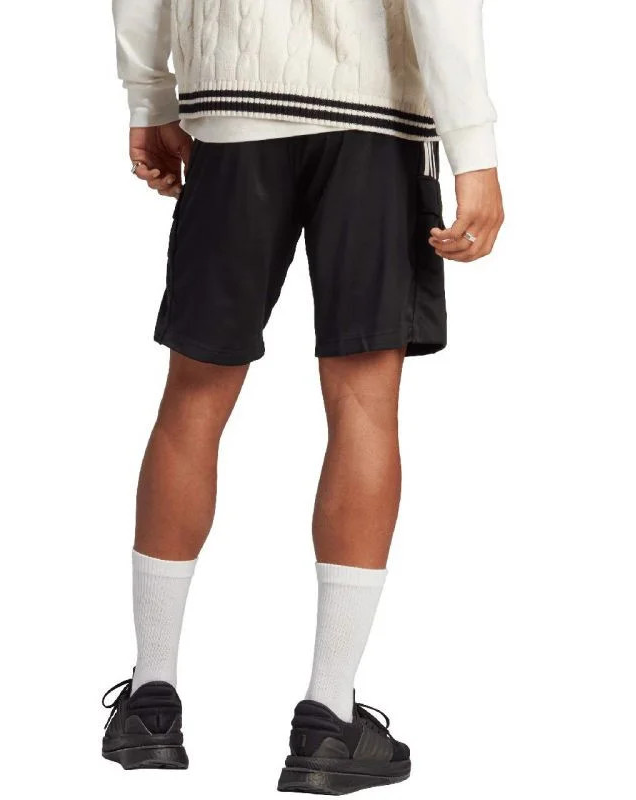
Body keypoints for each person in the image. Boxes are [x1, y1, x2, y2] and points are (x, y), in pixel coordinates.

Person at [102, 1, 504, 793]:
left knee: (194, 397)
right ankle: (327, 716)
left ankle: (151, 702)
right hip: (372, 114)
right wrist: (475, 146)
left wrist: (149, 97)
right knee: (363, 402)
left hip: (232, 106)